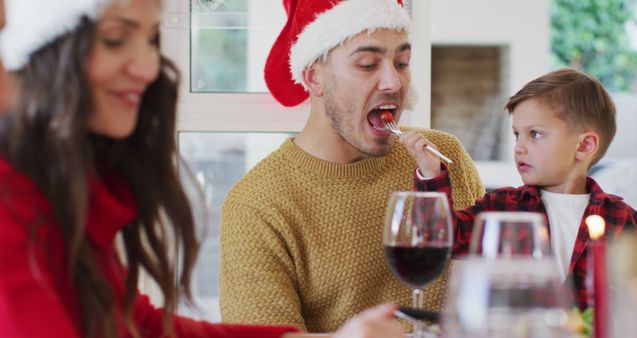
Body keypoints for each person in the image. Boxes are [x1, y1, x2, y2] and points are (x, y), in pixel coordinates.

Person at [0, 0, 406, 337]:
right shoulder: (12, 212)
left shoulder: (62, 192)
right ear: (40, 51)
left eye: (152, 39)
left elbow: (138, 324)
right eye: (115, 39)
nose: (147, 67)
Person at [219, 0, 485, 332]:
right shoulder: (258, 205)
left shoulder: (443, 158)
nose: (394, 83)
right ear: (314, 77)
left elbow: (491, 297)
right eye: (367, 64)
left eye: (402, 62)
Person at [405, 68, 637, 310]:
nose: (518, 148)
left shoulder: (624, 221)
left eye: (535, 134)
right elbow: (439, 241)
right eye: (517, 134)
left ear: (585, 145)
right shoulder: (502, 207)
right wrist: (431, 174)